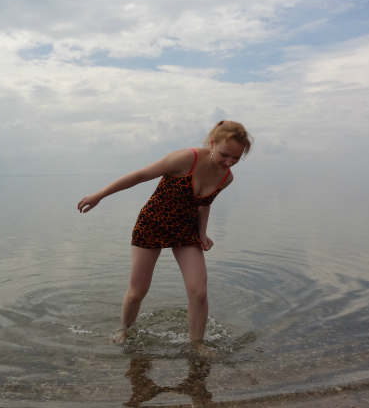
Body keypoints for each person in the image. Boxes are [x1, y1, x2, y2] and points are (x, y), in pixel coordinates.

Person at [77, 120, 252, 355]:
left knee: (199, 292)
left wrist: (202, 233)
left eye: (236, 158)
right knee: (137, 292)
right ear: (212, 143)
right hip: (152, 224)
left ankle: (197, 345)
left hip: (185, 230)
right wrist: (99, 195)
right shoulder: (185, 159)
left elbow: (204, 203)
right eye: (225, 155)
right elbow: (140, 175)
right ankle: (124, 331)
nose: (229, 162)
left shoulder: (226, 178)